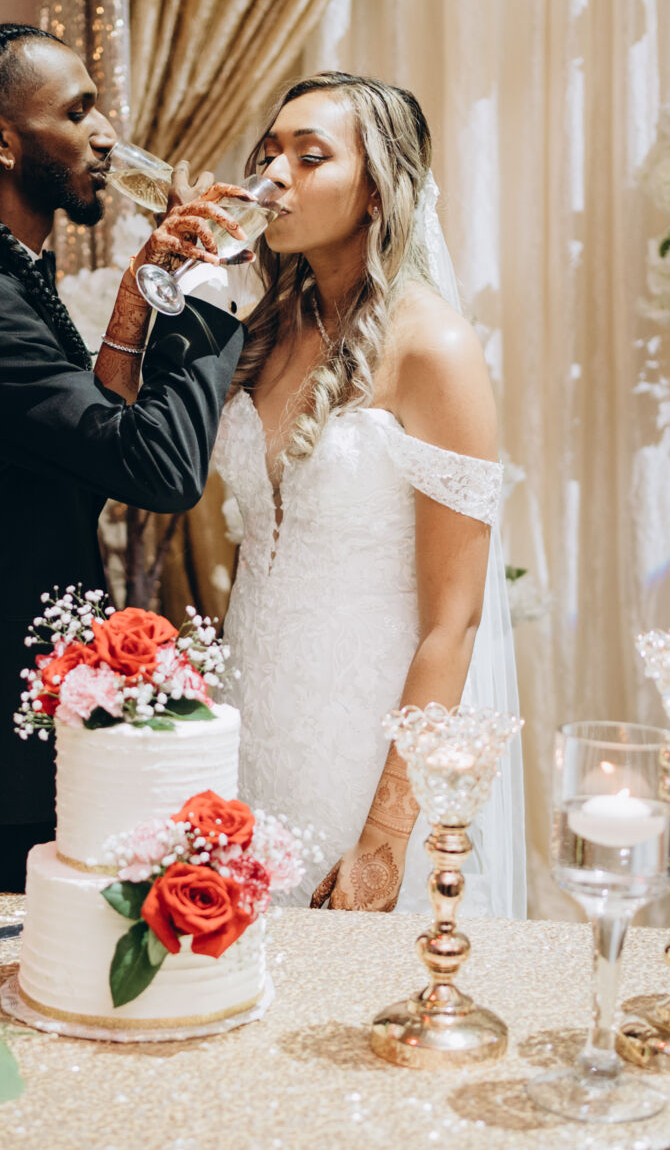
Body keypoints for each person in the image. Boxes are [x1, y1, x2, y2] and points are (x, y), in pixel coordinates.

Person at [0, 23, 251, 891]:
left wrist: (134, 304)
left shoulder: (6, 278)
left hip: (36, 735)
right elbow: (159, 469)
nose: (107, 134)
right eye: (78, 112)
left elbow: (83, 456)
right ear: (0, 138)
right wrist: (201, 290)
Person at [216, 71, 526, 915]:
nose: (273, 175)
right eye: (268, 153)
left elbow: (453, 620)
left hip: (368, 739)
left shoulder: (434, 349)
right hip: (253, 718)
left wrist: (386, 836)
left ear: (379, 190)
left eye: (309, 156)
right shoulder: (261, 330)